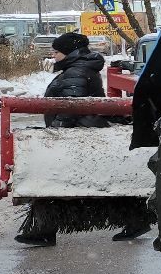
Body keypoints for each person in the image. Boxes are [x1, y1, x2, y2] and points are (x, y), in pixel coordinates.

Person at [14, 33, 153, 246]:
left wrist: (54, 135)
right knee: (93, 185)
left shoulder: (75, 72)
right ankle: (136, 219)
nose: (53, 56)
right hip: (83, 131)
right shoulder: (80, 69)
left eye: (56, 52)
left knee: (54, 183)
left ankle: (44, 230)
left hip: (76, 133)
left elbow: (72, 106)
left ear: (69, 53)